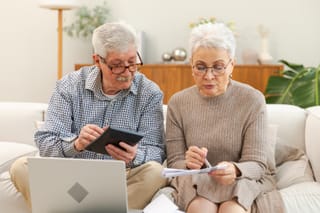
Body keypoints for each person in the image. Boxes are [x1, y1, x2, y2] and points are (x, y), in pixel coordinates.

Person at [10, 21, 167, 210]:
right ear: (97, 60)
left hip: (123, 178)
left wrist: (135, 156)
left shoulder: (149, 92)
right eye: (116, 65)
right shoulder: (68, 86)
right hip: (71, 176)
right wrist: (76, 144)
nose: (127, 73)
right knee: (20, 167)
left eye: (132, 63)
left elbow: (157, 151)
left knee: (156, 173)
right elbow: (45, 143)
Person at [165, 23, 284, 213]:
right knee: (200, 209)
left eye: (218, 67)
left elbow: (257, 164)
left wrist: (235, 169)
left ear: (232, 65)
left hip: (242, 178)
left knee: (232, 210)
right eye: (201, 67)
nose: (209, 76)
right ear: (191, 65)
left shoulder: (252, 100)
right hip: (196, 179)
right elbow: (174, 163)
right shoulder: (178, 103)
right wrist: (188, 163)